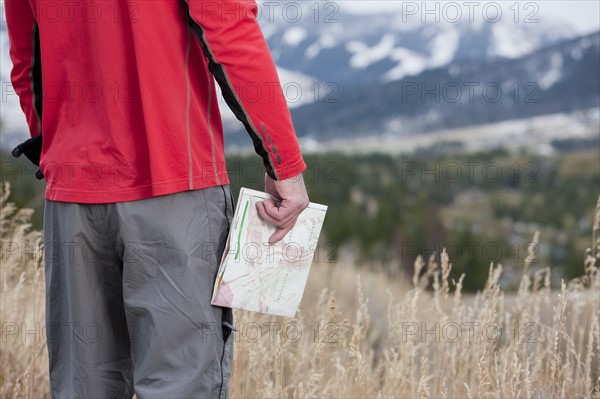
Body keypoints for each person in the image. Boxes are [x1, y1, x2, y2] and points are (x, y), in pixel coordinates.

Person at [5, 0, 309, 397]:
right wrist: (282, 161)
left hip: (72, 198)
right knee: (180, 385)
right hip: (173, 183)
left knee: (84, 387)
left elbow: (27, 61)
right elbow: (229, 27)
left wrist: (61, 152)